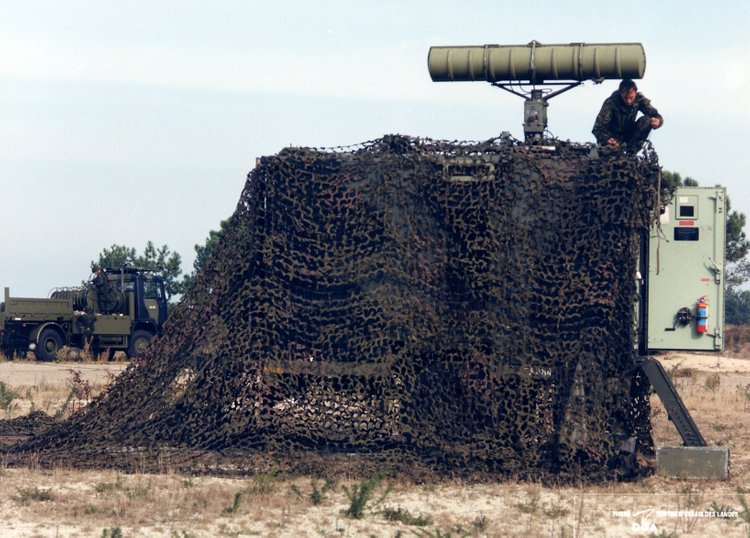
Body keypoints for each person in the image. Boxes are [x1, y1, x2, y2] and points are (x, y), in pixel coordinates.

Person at [592, 79, 663, 151]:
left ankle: (631, 153)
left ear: (635, 93)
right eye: (625, 98)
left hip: (629, 136)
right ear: (620, 94)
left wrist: (658, 121)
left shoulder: (639, 99)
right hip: (612, 139)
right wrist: (607, 139)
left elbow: (655, 115)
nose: (629, 101)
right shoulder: (610, 103)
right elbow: (597, 129)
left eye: (631, 98)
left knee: (647, 120)